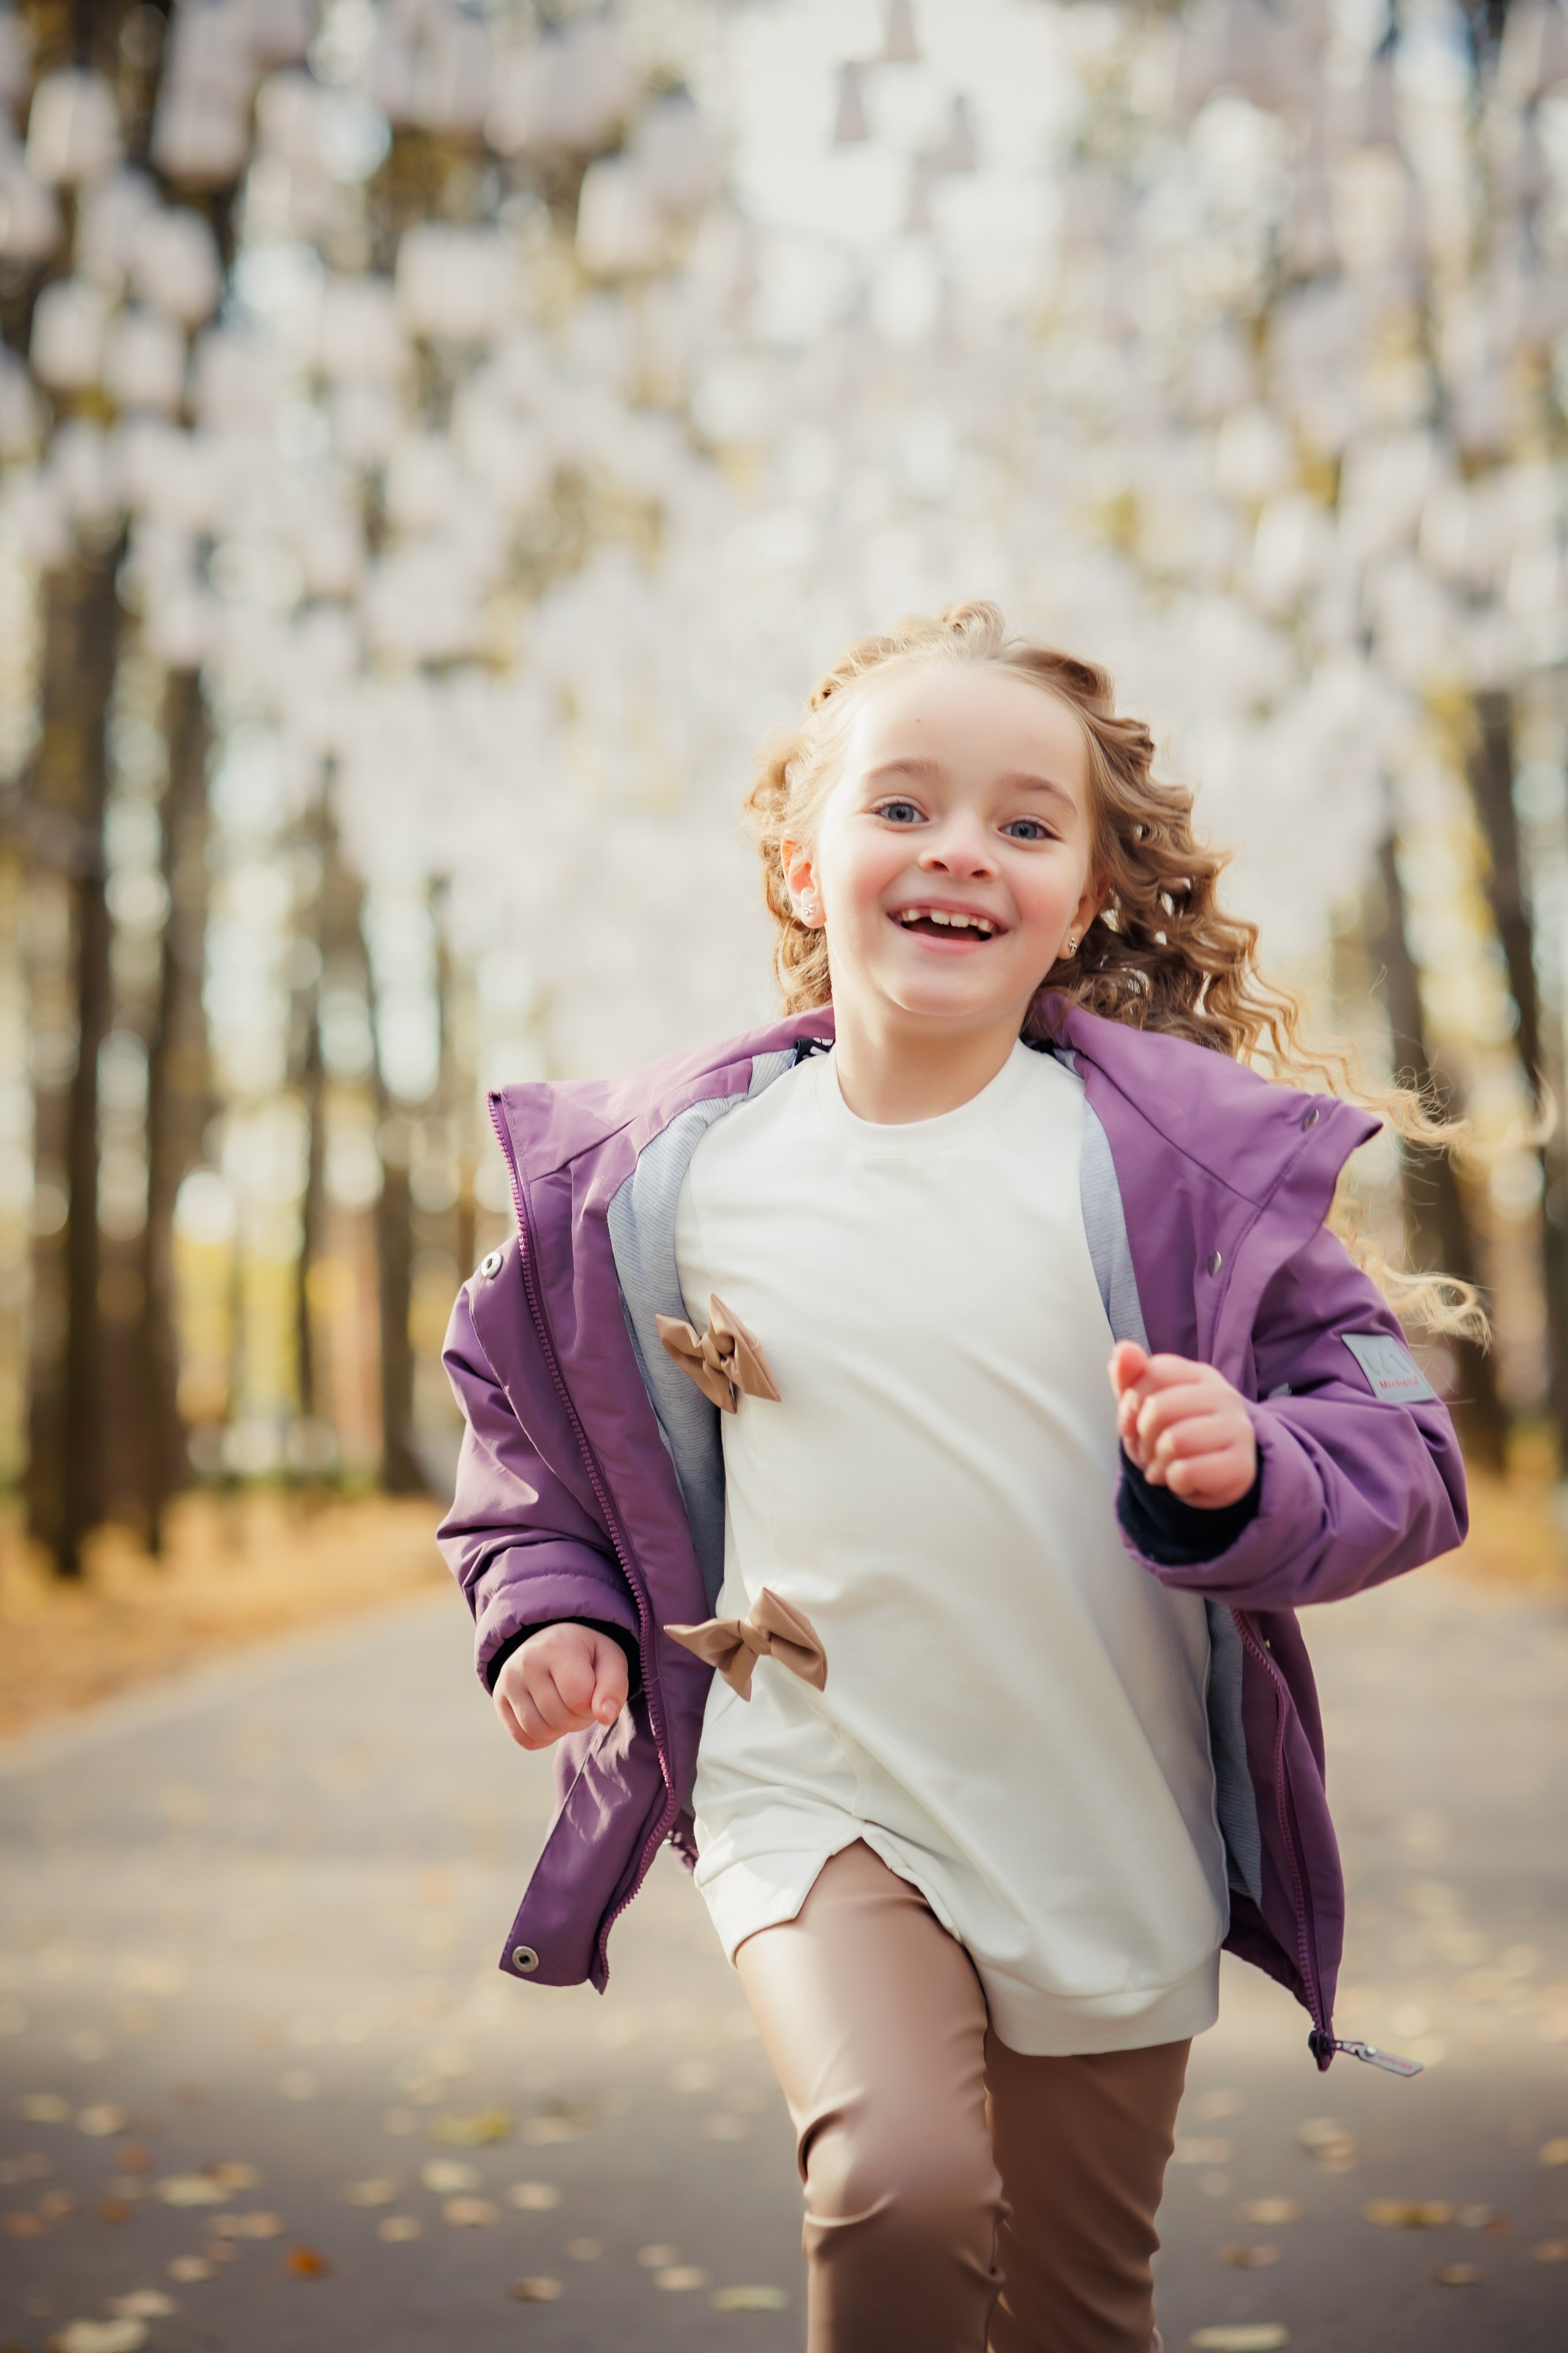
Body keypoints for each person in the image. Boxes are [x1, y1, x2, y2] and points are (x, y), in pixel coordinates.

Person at [439, 602, 1470, 2353]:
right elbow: (527, 1423)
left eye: (1023, 821)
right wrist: (552, 1600)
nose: (959, 853)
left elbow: (1406, 1456)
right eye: (902, 805)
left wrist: (1250, 1465)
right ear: (799, 859)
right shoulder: (670, 1181)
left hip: (1099, 1813)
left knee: (1075, 2308)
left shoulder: (1182, 1174)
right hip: (813, 1785)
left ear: (1083, 892)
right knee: (896, 2187)